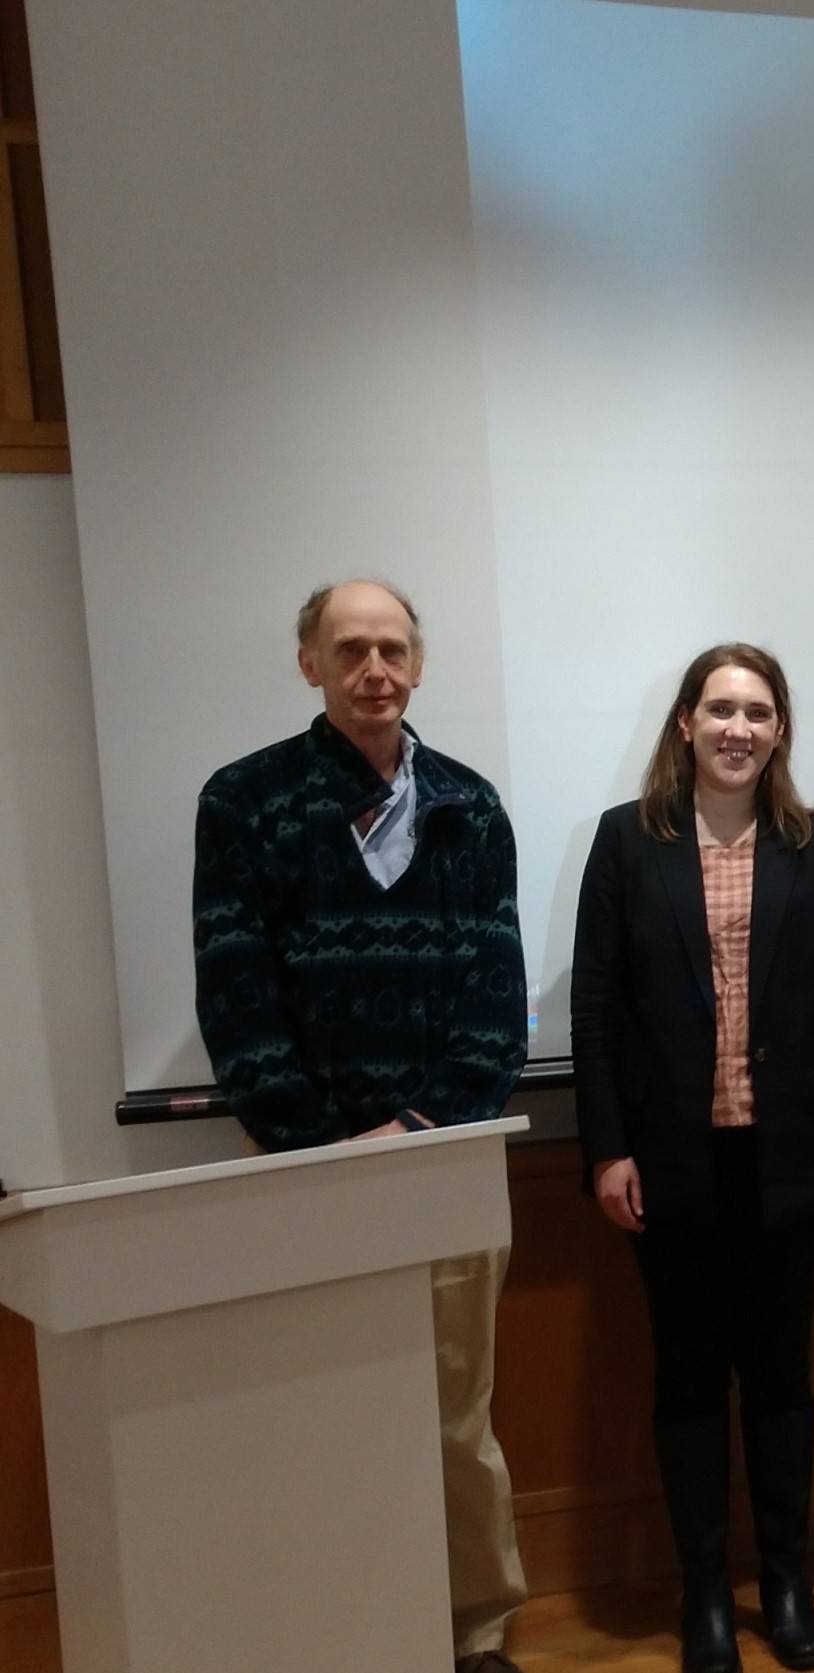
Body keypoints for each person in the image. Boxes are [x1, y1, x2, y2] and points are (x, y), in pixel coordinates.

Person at [191, 579, 530, 1673]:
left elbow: (497, 993)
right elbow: (232, 987)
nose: (374, 668)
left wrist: (422, 1125)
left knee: (452, 1421)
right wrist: (317, 1149)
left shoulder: (469, 806)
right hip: (298, 1170)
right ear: (310, 665)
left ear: (418, 665)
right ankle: (334, 1634)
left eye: (392, 649)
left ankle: (475, 1634)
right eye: (350, 650)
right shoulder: (245, 802)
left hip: (443, 1162)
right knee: (308, 1422)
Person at [571, 645, 814, 1672]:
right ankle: (704, 1593)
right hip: (671, 1163)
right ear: (685, 724)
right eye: (720, 708)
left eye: (757, 710)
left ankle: (784, 1583)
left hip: (790, 1157)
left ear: (779, 729)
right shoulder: (626, 841)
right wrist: (607, 1144)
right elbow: (597, 1008)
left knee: (782, 1377)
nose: (737, 727)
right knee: (691, 1379)